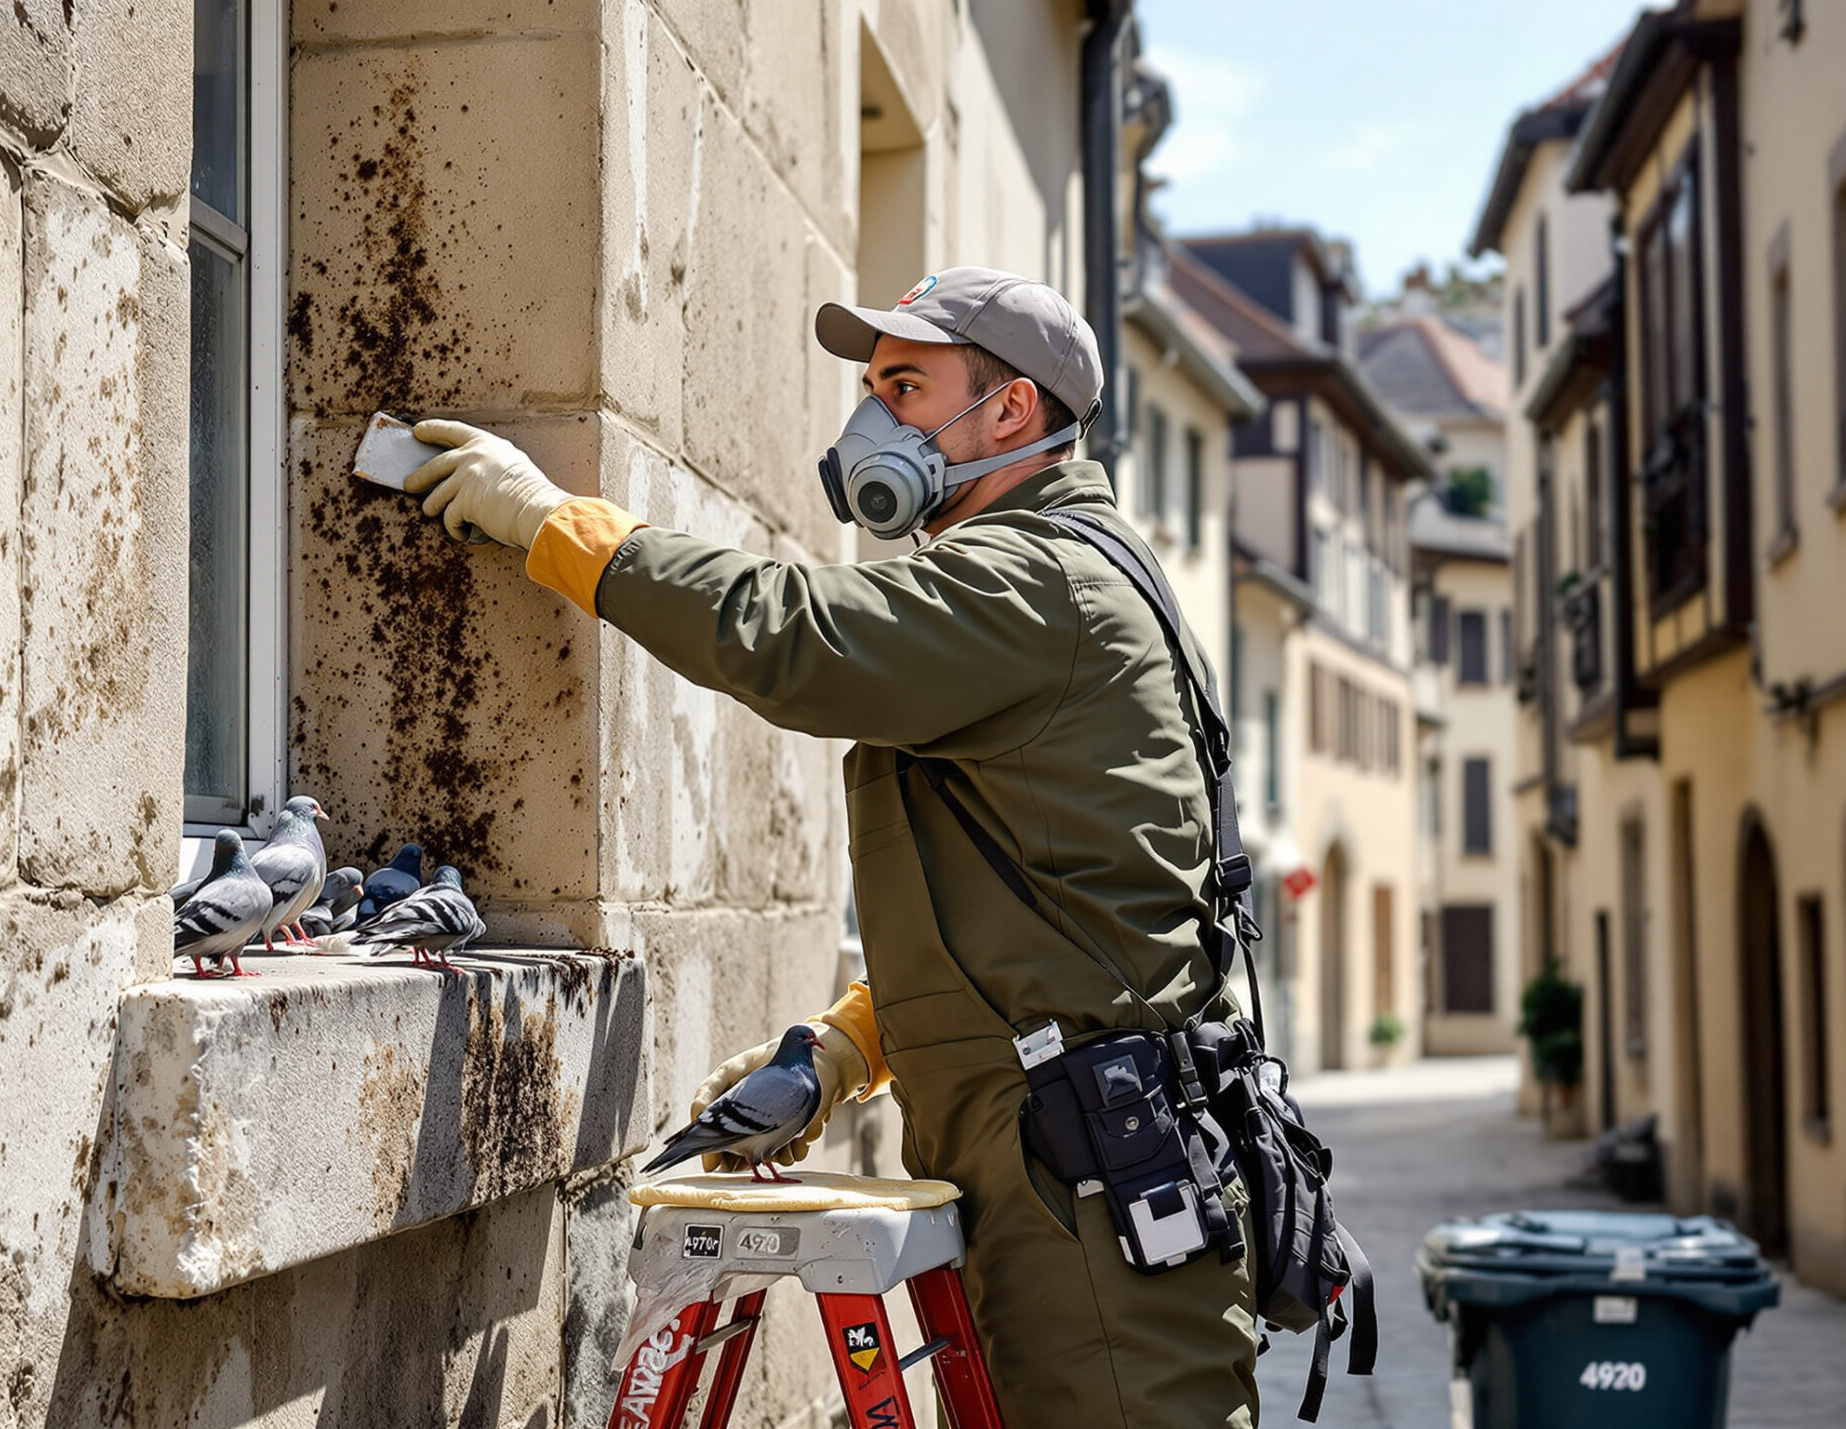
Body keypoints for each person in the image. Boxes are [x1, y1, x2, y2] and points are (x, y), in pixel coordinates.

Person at [404, 268, 1258, 1427]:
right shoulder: (1067, 571)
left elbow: (796, 637)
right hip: (1071, 1155)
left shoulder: (1038, 577)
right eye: (871, 387)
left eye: (905, 387)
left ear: (1008, 413)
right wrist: (849, 1046)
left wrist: (552, 523)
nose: (870, 420)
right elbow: (1059, 905)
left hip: (1087, 1185)